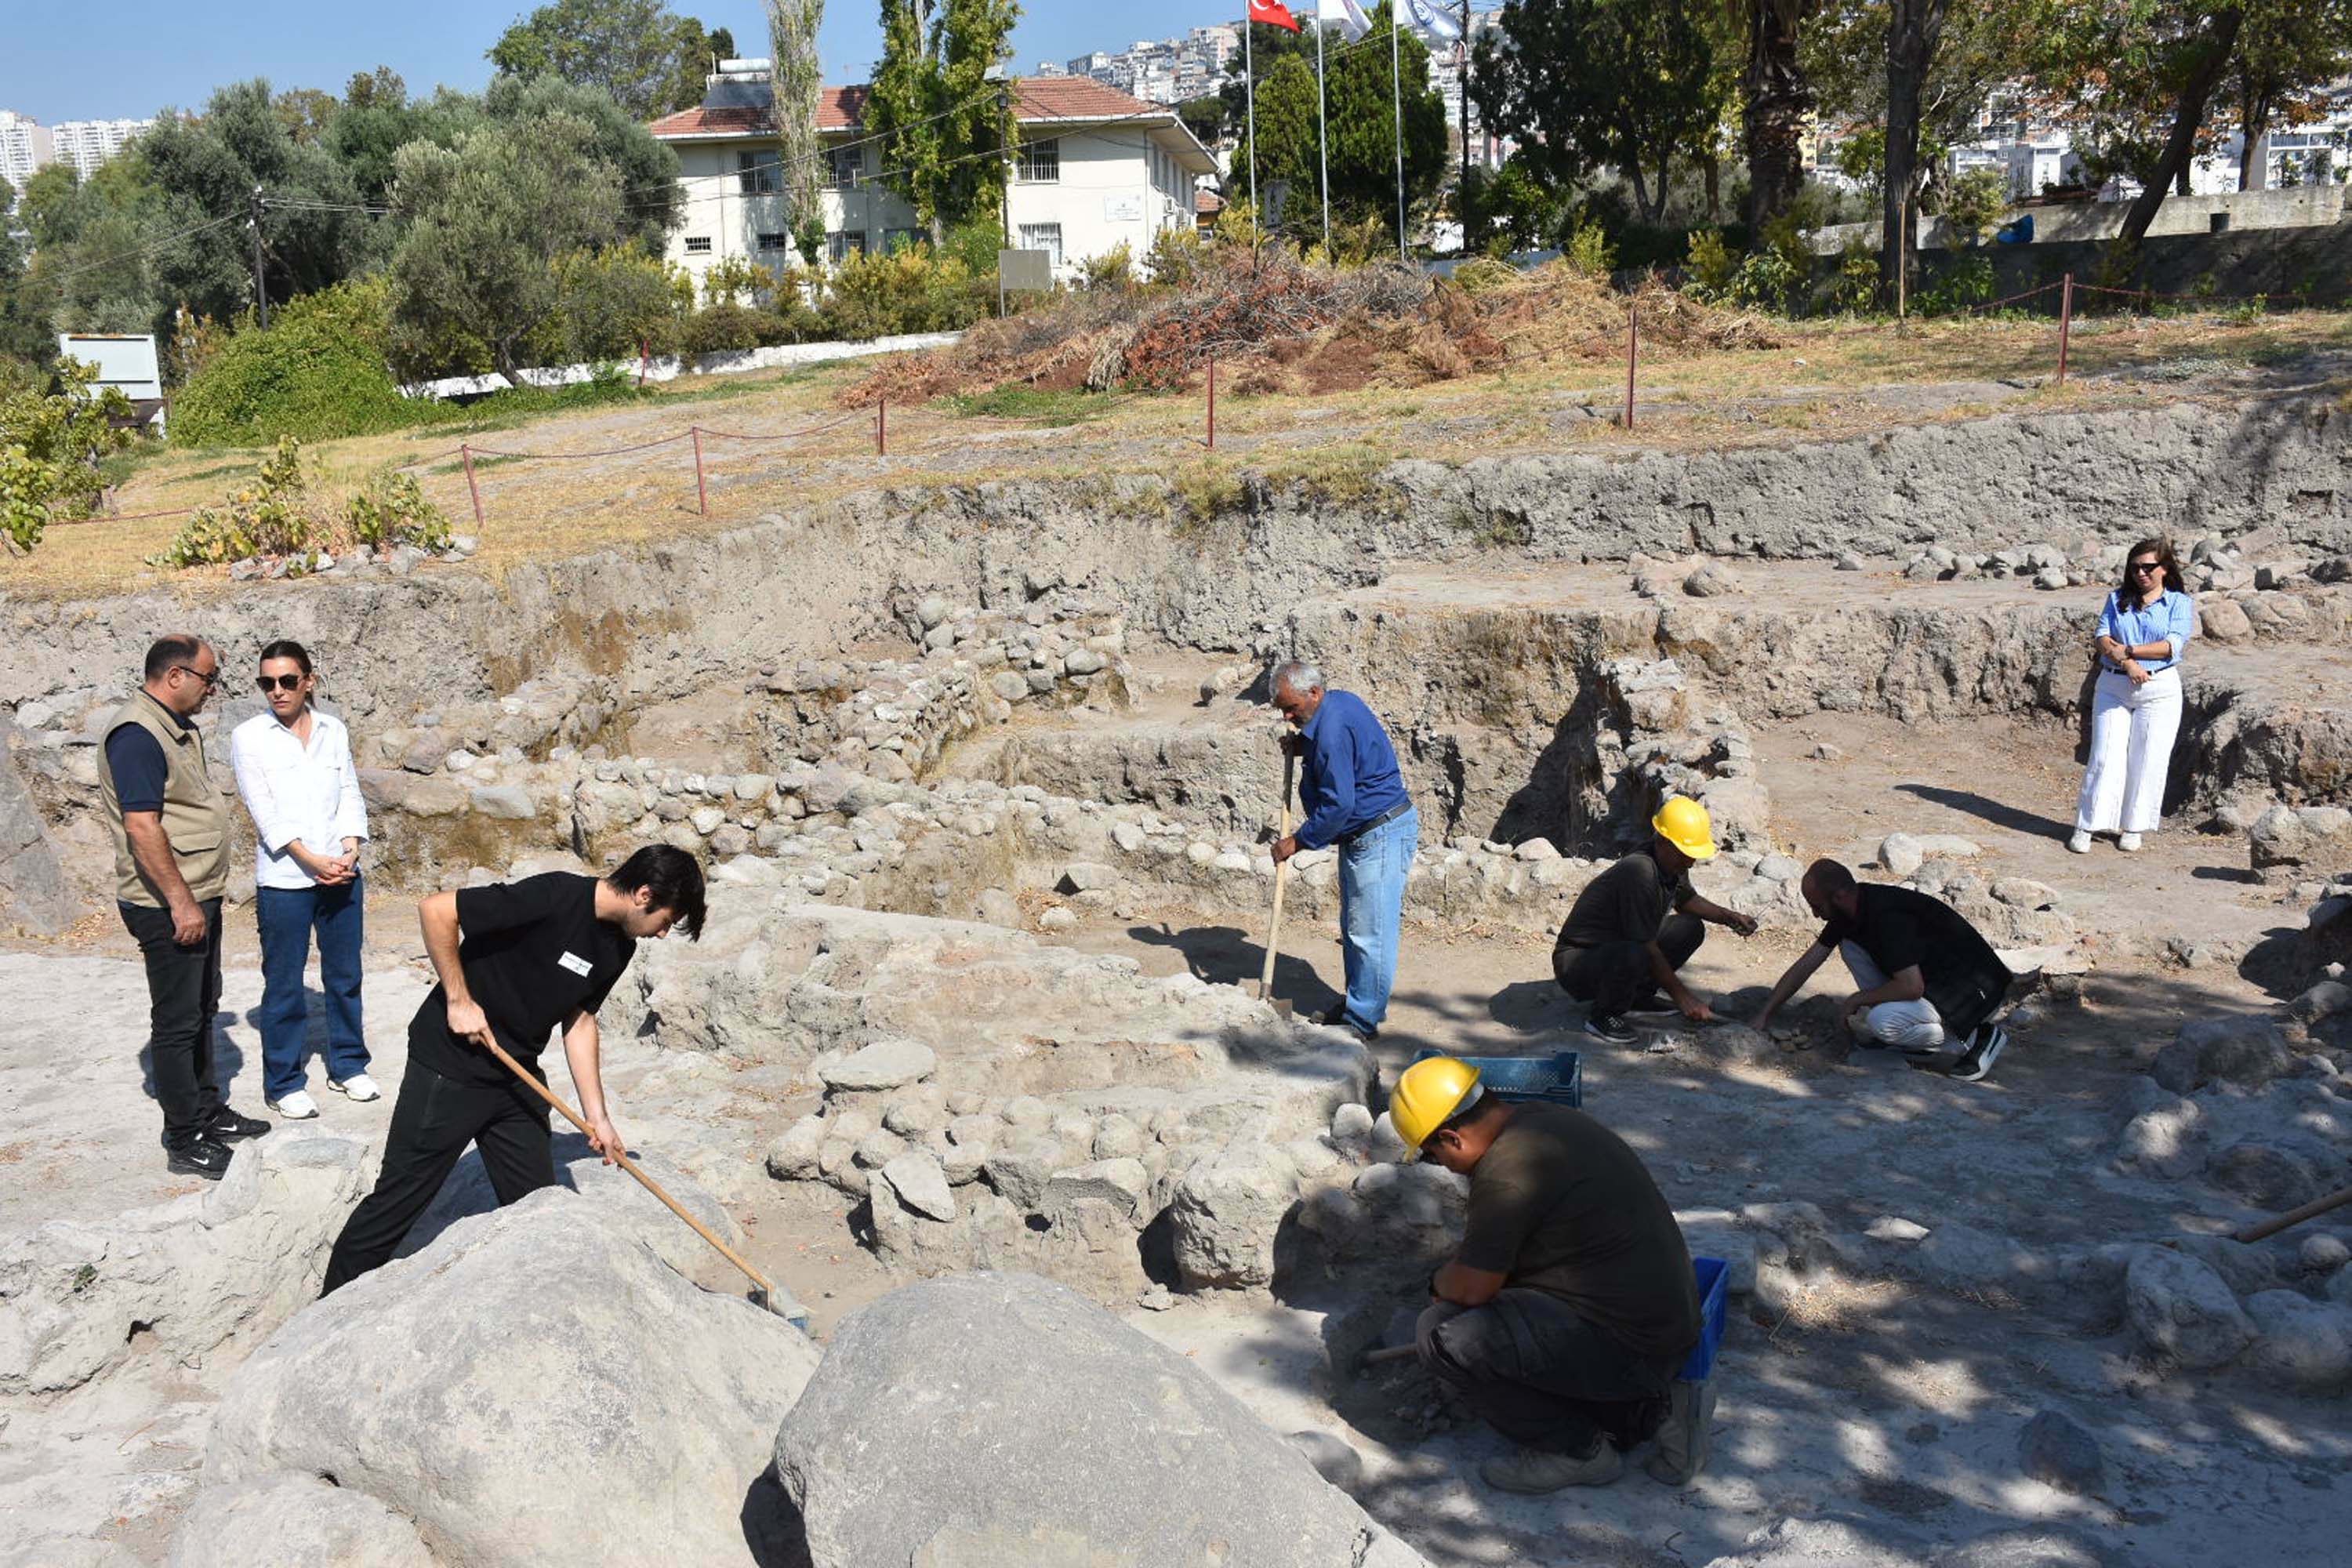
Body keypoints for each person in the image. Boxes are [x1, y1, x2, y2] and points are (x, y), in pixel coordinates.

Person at [318, 845, 706, 1294]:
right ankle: (326, 1310)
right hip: (449, 1065)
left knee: (537, 1207)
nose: (661, 934)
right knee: (398, 1201)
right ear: (644, 895)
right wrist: (459, 1000)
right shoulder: (555, 896)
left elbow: (580, 1022)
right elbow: (437, 910)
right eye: (666, 921)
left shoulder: (619, 948)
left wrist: (597, 1116)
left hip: (514, 1074)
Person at [1395, 1057, 1705, 1493]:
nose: (1440, 1165)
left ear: (1451, 1137)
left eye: (1433, 1154)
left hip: (1635, 1347)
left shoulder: (1506, 1174)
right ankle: (1659, 1414)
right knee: (1498, 1312)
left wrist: (1438, 1283)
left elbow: (1472, 1287)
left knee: (1442, 1335)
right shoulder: (1546, 1120)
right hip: (1661, 1326)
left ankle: (1577, 1453)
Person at [98, 634, 270, 1179]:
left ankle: (207, 1109)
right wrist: (180, 903)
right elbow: (142, 826)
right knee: (176, 1020)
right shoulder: (136, 736)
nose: (211, 689)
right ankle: (184, 1137)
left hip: (197, 893)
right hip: (168, 902)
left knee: (202, 1006)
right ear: (175, 677)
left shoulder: (172, 726)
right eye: (207, 678)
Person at [230, 640, 374, 1121]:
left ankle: (349, 1065)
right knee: (285, 983)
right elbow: (264, 812)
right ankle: (284, 1081)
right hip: (286, 879)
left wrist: (350, 848)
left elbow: (349, 791)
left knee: (345, 975)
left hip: (342, 873)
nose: (277, 691)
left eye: (287, 681)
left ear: (308, 681)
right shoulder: (249, 737)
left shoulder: (334, 730)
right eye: (267, 682)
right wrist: (311, 859)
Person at [1749, 858, 2013, 1082]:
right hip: (1930, 983)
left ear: (1839, 896)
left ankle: (1977, 1036)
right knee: (1850, 946)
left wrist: (1856, 1000)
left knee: (1881, 1022)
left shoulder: (1887, 918)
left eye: (1817, 906)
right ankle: (1916, 1043)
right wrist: (1765, 1013)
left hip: (1969, 996)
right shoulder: (1851, 909)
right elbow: (1807, 964)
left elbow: (1912, 987)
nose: (1816, 915)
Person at [1267, 660, 1416, 1041]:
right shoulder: (1337, 705)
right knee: (1355, 929)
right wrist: (1305, 744)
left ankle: (1362, 1021)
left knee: (1371, 933)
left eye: (1292, 708)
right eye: (1282, 709)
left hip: (1379, 834)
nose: (1287, 715)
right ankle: (1357, 1005)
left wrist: (1296, 842)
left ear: (1313, 693)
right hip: (1366, 834)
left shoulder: (1331, 729)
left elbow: (1338, 805)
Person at [1552, 797, 1756, 1047]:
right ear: (1662, 841)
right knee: (1636, 951)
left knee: (1689, 927)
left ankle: (1637, 997)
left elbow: (1686, 899)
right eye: (1685, 855)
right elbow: (1646, 946)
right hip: (1578, 962)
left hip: (1616, 949)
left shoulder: (1671, 863)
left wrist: (1730, 917)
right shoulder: (1639, 872)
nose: (1690, 862)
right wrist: (1684, 998)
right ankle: (1604, 1015)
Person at [2071, 537, 2195, 855]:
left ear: (2164, 569)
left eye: (2148, 567)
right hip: (2114, 684)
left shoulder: (2179, 603)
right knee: (2104, 755)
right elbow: (2102, 637)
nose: (2141, 573)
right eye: (2135, 567)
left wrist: (2127, 651)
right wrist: (2127, 664)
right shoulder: (2116, 599)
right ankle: (2087, 824)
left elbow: (2171, 645)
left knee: (2148, 758)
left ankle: (2134, 826)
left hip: (2159, 689)